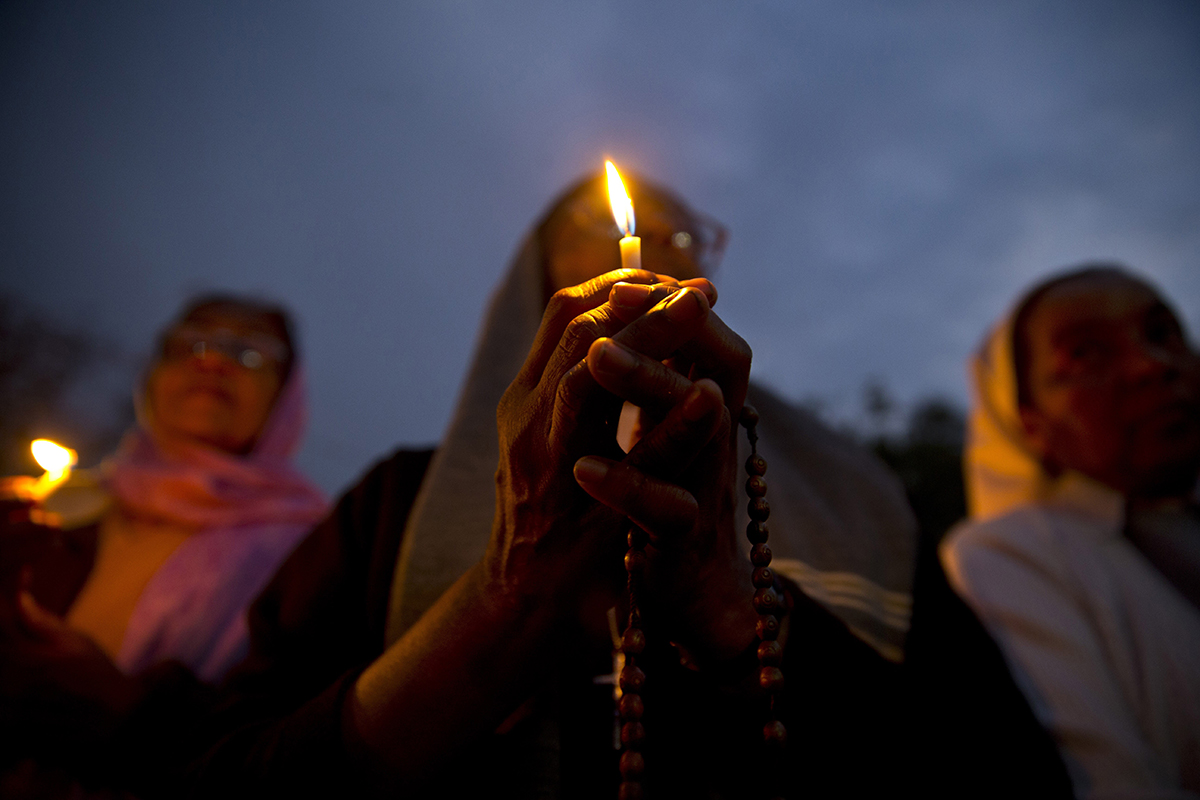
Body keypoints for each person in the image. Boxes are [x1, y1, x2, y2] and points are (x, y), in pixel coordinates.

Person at [940, 265, 1200, 797]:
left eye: (1161, 334)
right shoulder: (1010, 556)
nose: (1152, 365)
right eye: (1084, 354)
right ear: (1029, 423)